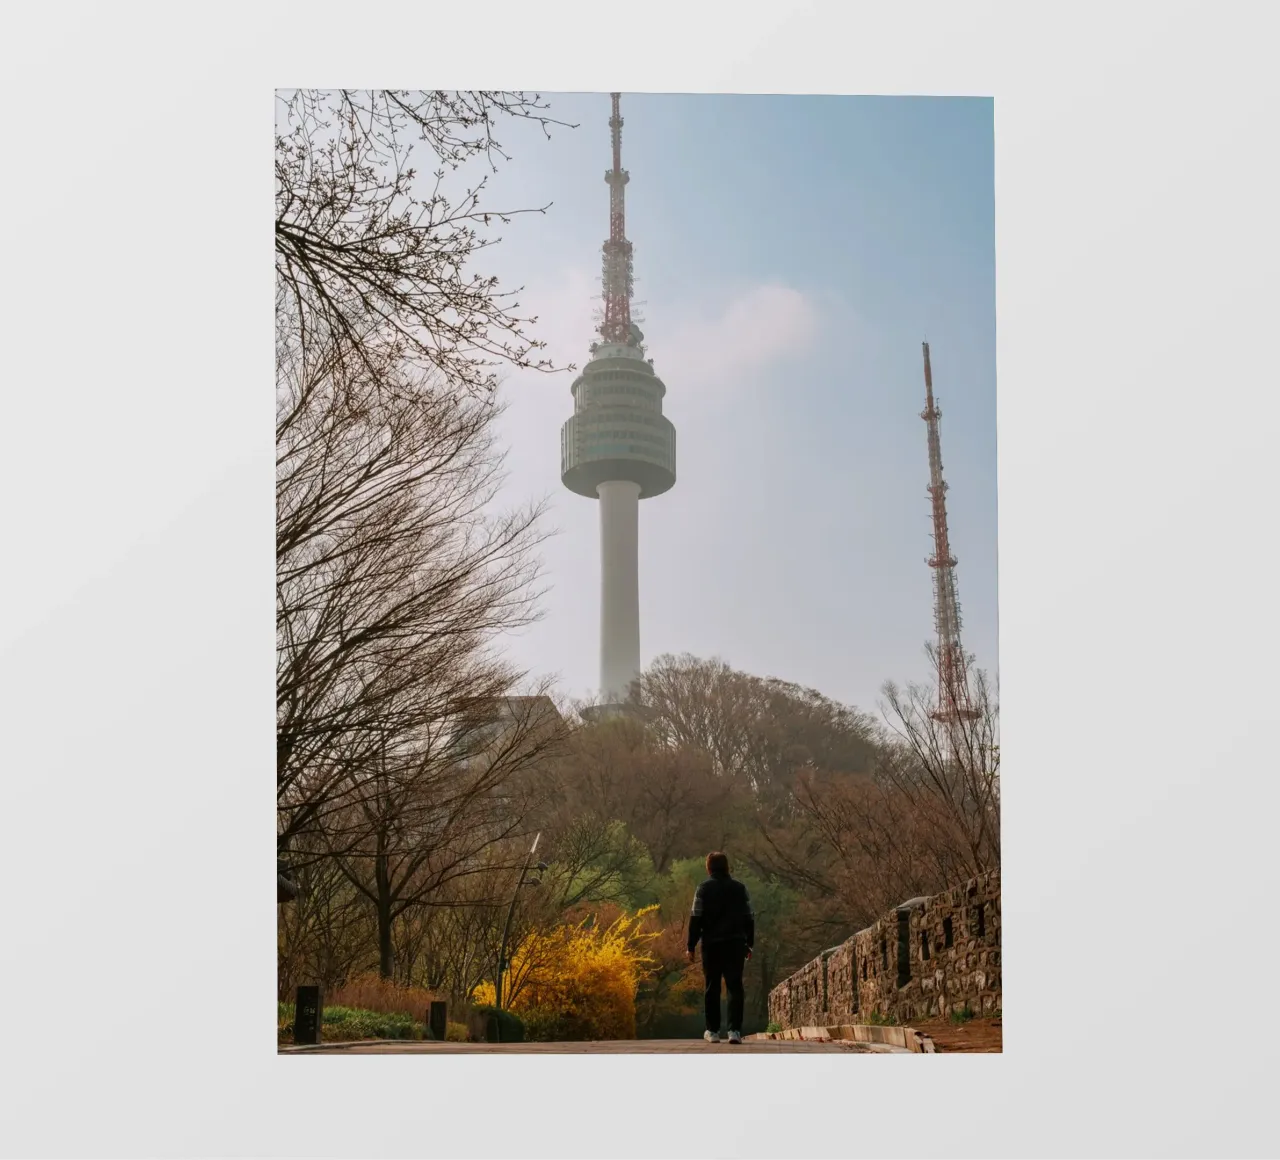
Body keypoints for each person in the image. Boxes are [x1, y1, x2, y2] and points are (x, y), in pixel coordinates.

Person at [686, 851, 755, 1044]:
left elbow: (696, 918)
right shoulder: (740, 889)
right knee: (735, 986)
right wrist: (749, 943)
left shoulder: (703, 889)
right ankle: (734, 1031)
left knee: (712, 986)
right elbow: (749, 917)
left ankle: (713, 1031)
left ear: (708, 868)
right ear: (727, 867)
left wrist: (690, 945)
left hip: (711, 944)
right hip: (735, 943)